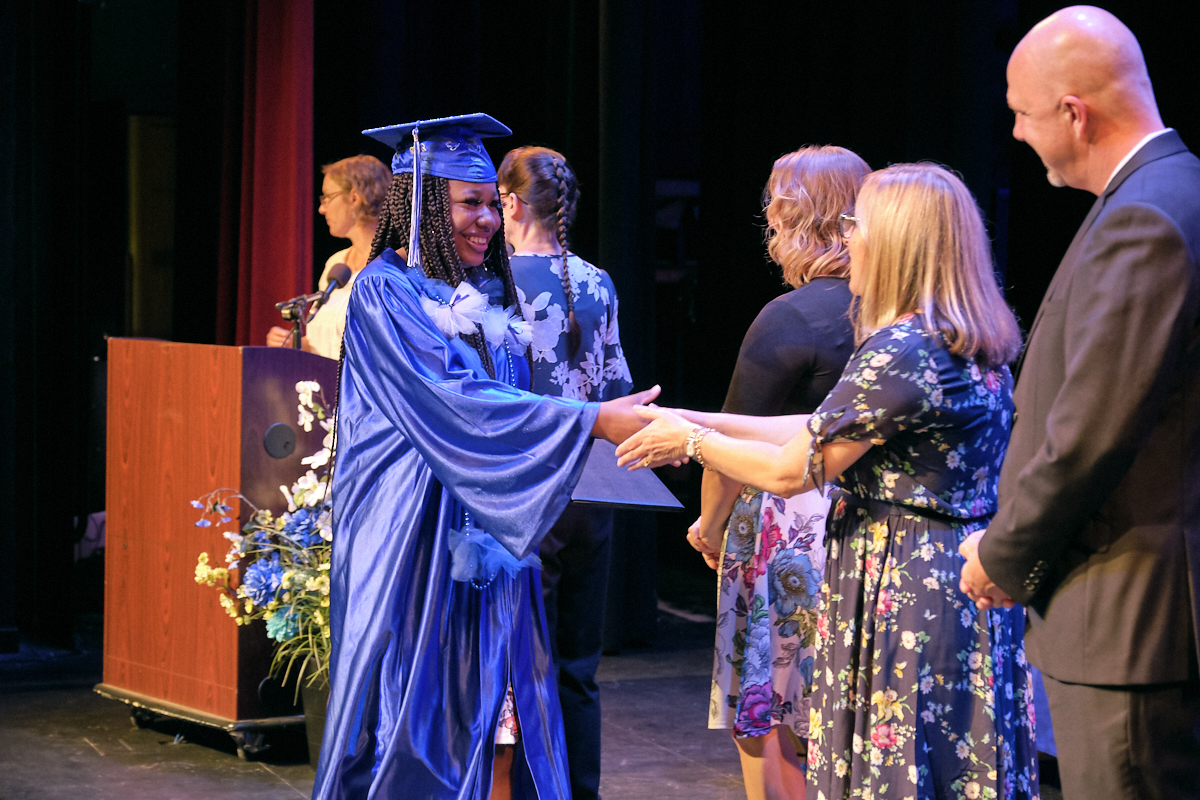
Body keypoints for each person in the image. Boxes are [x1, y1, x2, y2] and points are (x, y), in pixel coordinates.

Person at [617, 163, 1040, 800]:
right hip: (957, 585)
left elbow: (794, 469)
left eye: (857, 225)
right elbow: (818, 425)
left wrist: (691, 442)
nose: (849, 239)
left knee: (896, 772)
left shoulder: (900, 350)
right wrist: (691, 415)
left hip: (902, 587)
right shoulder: (963, 340)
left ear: (897, 242)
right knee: (955, 763)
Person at [311, 114, 658, 800]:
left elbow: (504, 402)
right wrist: (594, 419)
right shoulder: (386, 291)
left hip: (481, 534)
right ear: (423, 207)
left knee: (497, 724)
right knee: (413, 726)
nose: (488, 220)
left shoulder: (478, 297)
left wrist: (610, 424)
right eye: (469, 203)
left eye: (489, 203)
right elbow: (458, 402)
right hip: (411, 543)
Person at [959, 6, 1200, 798]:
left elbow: (1093, 430)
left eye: (1023, 115)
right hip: (1128, 612)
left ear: (1075, 112)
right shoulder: (1164, 192)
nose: (1019, 136)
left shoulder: (1148, 216)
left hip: (1130, 619)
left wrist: (1003, 554)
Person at [688, 145, 867, 800]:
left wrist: (709, 525)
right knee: (841, 717)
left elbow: (726, 439)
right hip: (868, 530)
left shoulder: (791, 318)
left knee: (769, 722)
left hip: (787, 532)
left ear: (791, 219)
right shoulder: (899, 313)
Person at [497, 145, 632, 800]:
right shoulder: (597, 281)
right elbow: (617, 389)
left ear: (511, 204)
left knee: (529, 669)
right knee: (579, 669)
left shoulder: (496, 284)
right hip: (591, 491)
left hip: (529, 491)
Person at [266, 154, 391, 357]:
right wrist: (295, 343)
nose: (322, 209)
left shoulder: (391, 267)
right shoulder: (336, 264)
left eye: (328, 197)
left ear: (354, 198)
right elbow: (325, 341)